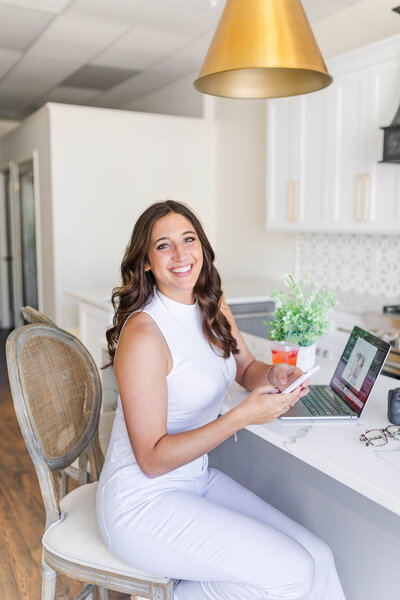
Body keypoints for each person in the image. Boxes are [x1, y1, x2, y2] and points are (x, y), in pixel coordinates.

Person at [96, 200, 346, 600]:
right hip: (141, 502)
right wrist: (242, 417)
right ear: (145, 261)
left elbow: (245, 368)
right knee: (292, 573)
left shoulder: (212, 304)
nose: (181, 255)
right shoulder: (144, 335)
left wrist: (275, 374)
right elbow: (152, 459)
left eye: (188, 239)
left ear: (202, 246)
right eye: (163, 245)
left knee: (319, 557)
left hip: (194, 480)